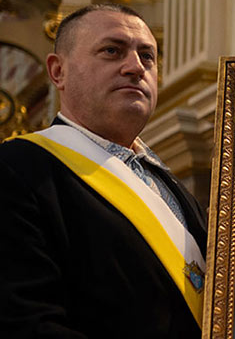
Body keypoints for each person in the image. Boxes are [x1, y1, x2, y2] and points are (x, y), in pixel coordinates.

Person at [0, 4, 207, 338]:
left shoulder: (171, 187)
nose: (135, 67)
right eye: (112, 51)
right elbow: (25, 322)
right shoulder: (17, 168)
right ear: (58, 72)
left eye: (148, 56)